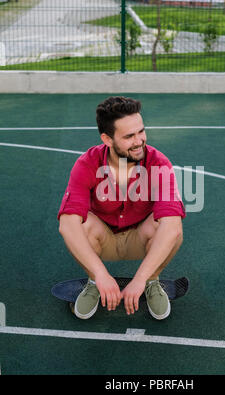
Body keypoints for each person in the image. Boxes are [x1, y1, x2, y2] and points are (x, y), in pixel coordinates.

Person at [58, 96, 185, 320]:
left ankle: (152, 282)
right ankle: (94, 283)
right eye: (129, 136)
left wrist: (140, 280)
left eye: (141, 132)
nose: (139, 141)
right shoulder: (86, 164)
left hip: (140, 238)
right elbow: (67, 226)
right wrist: (100, 274)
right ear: (107, 139)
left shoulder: (159, 163)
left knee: (169, 226)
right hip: (103, 238)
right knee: (80, 222)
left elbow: (172, 227)